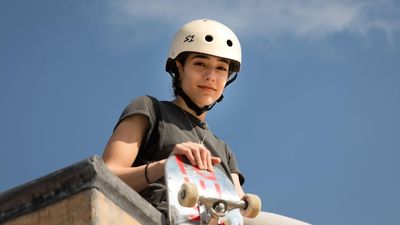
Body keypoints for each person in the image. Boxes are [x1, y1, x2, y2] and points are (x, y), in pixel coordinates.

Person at [102, 19, 310, 225]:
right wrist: (166, 166)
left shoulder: (224, 150)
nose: (211, 76)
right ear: (179, 67)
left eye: (221, 68)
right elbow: (106, 176)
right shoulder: (150, 109)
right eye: (200, 64)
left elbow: (239, 208)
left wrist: (244, 204)